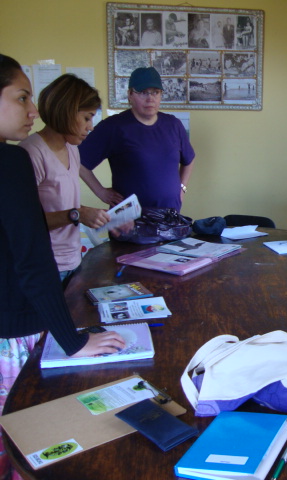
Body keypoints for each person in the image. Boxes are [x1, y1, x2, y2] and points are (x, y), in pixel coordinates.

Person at [0, 53, 124, 477]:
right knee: (25, 436)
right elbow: (31, 255)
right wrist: (71, 340)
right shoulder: (17, 159)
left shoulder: (67, 152)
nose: (31, 111)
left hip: (56, 275)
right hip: (16, 322)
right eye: (21, 98)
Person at [19, 74, 110, 285]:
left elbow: (62, 204)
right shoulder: (31, 153)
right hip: (45, 266)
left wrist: (99, 217)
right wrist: (77, 214)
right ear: (67, 111)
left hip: (73, 260)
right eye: (86, 118)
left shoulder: (72, 149)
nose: (91, 127)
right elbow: (25, 221)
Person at [79, 67, 195, 211]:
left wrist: (182, 188)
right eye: (143, 92)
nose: (150, 98)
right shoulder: (114, 127)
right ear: (130, 94)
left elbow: (189, 160)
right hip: (130, 220)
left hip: (170, 217)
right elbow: (78, 161)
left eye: (155, 92)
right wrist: (100, 192)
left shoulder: (173, 125)